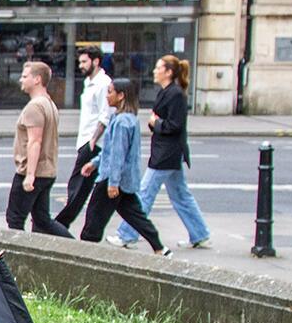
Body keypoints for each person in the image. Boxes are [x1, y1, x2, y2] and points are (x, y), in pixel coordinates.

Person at [117, 55, 211, 250]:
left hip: (166, 153)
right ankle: (200, 234)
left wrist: (155, 123)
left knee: (145, 193)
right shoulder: (166, 92)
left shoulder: (175, 94)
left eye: (158, 68)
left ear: (168, 72)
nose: (154, 71)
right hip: (167, 152)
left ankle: (127, 234)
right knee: (180, 194)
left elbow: (175, 125)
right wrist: (156, 123)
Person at [80, 79, 170, 255]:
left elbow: (117, 155)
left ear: (121, 96)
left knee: (93, 220)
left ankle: (85, 254)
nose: (107, 96)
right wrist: (94, 163)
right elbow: (109, 151)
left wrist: (113, 183)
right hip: (124, 180)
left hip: (112, 180)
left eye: (110, 92)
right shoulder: (126, 119)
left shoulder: (122, 122)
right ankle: (160, 248)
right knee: (135, 215)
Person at [4, 60, 72, 238]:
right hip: (47, 171)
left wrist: (29, 175)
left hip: (32, 172)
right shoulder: (49, 103)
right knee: (42, 220)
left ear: (37, 79)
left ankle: (14, 259)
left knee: (15, 219)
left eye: (25, 76)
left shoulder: (34, 107)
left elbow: (35, 141)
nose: (21, 80)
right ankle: (76, 248)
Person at [54, 46, 113, 228]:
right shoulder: (89, 82)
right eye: (80, 62)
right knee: (85, 186)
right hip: (85, 140)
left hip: (93, 142)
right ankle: (72, 225)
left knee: (78, 185)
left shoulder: (103, 83)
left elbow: (105, 115)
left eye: (84, 61)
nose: (80, 65)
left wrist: (93, 141)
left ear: (96, 61)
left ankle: (60, 224)